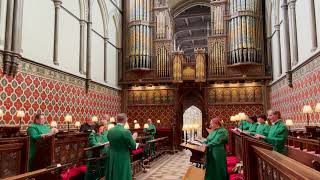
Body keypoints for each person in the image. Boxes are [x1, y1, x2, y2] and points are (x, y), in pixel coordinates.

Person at [106, 113, 138, 180]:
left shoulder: (110, 131)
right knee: (122, 174)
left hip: (112, 156)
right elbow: (133, 146)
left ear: (116, 120)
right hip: (123, 156)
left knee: (113, 173)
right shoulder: (126, 132)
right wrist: (134, 138)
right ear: (125, 120)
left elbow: (110, 141)